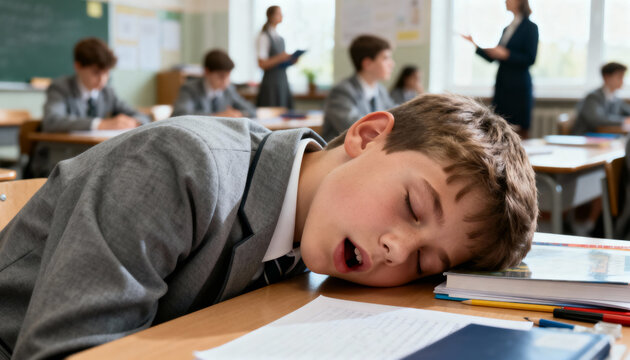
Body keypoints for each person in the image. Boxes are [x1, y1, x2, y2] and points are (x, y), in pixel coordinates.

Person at [0, 94, 538, 359]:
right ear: (369, 135)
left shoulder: (317, 232)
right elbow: (65, 352)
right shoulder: (181, 168)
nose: (398, 250)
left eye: (425, 262)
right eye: (414, 208)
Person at [28, 37, 150, 177]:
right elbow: (52, 121)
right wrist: (100, 124)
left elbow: (143, 117)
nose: (102, 80)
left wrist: (134, 122)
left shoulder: (107, 93)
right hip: (56, 161)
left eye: (106, 73)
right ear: (78, 66)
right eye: (96, 72)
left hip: (91, 160)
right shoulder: (60, 88)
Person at [462, 0, 538, 138]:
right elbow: (494, 58)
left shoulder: (531, 28)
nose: (506, 1)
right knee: (500, 131)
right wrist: (476, 45)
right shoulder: (507, 28)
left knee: (519, 131)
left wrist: (507, 54)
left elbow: (530, 58)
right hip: (503, 86)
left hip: (518, 88)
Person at [321, 35, 396, 141]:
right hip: (340, 154)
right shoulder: (342, 92)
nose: (392, 64)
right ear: (367, 64)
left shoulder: (381, 91)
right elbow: (359, 131)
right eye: (385, 58)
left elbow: (396, 116)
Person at [172, 49, 256, 118]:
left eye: (228, 76)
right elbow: (179, 114)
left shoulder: (228, 90)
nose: (226, 81)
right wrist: (217, 116)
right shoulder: (190, 89)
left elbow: (251, 110)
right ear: (207, 72)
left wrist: (239, 114)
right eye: (221, 76)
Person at [572, 62, 630, 135]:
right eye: (619, 77)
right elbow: (597, 120)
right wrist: (624, 120)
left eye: (623, 77)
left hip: (604, 135)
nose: (622, 81)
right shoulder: (593, 97)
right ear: (606, 77)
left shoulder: (615, 98)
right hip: (587, 136)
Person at [256, 5, 295, 109]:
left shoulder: (280, 38)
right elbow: (262, 63)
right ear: (270, 16)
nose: (281, 16)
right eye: (278, 13)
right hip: (271, 83)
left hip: (282, 81)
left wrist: (290, 60)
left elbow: (280, 61)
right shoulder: (264, 36)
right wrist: (280, 57)